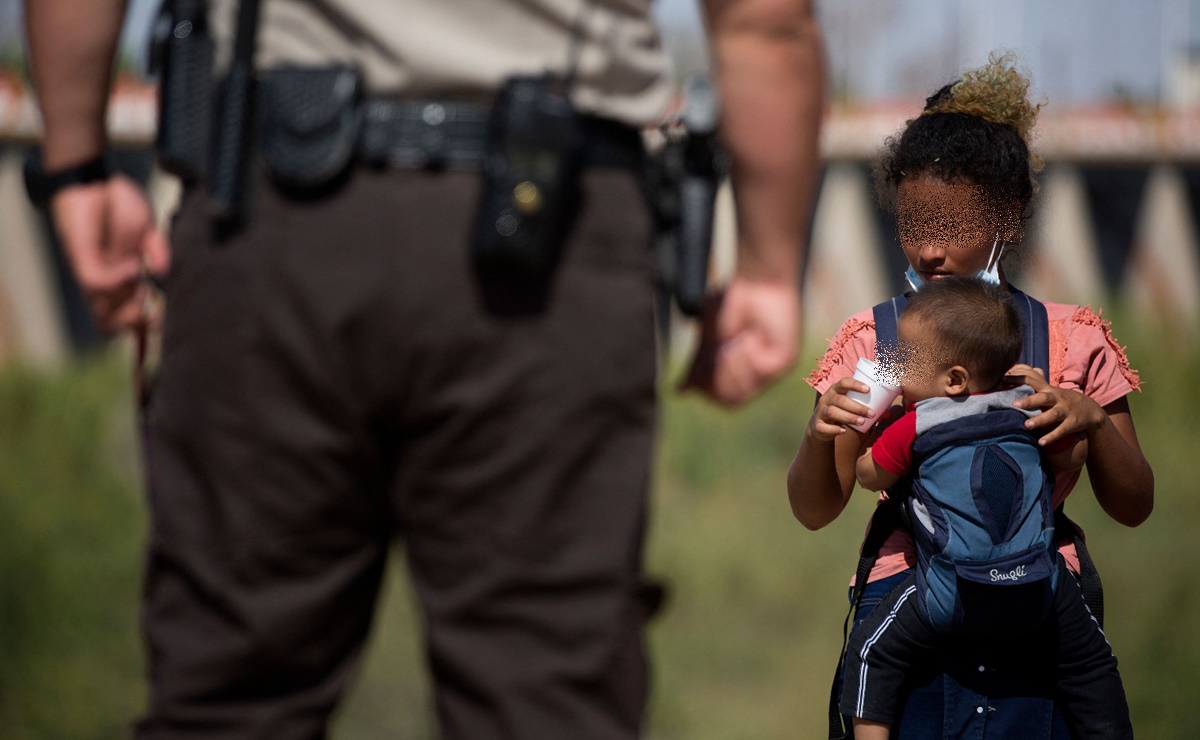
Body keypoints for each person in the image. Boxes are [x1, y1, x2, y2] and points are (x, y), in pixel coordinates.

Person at [22, 0, 824, 738]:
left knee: (226, 701)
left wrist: (73, 162)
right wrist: (767, 263)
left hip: (270, 211)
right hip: (550, 226)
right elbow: (763, 20)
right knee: (545, 703)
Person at [787, 52, 1153, 738]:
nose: (930, 252)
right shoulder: (889, 345)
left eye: (950, 230)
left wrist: (1094, 424)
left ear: (1007, 217)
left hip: (1043, 624)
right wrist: (818, 438)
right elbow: (816, 509)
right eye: (913, 228)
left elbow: (1135, 506)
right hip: (913, 630)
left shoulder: (1068, 338)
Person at [841, 276, 1131, 740]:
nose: (897, 371)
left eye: (907, 361)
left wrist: (867, 421)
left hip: (949, 589)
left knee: (874, 656)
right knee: (1092, 666)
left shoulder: (917, 422)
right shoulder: (1026, 405)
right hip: (1041, 584)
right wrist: (1048, 397)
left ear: (954, 379)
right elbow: (1071, 457)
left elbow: (867, 476)